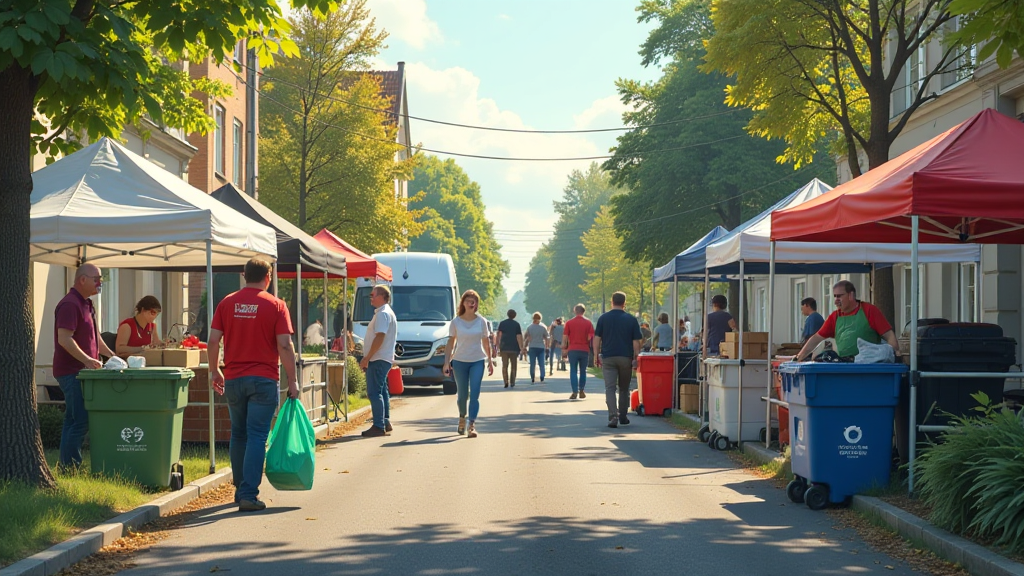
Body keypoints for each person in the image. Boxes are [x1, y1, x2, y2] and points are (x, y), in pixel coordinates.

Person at [208, 258, 298, 512]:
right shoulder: (276, 305)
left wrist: (215, 370)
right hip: (264, 379)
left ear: (243, 275)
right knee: (257, 436)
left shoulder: (227, 302)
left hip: (234, 379)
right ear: (268, 277)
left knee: (238, 434)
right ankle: (248, 493)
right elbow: (284, 344)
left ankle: (240, 490)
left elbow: (213, 340)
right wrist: (293, 380)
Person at [53, 263, 116, 470]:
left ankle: (67, 466)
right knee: (80, 421)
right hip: (72, 373)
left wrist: (111, 355)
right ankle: (71, 467)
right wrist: (86, 360)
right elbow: (64, 338)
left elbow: (94, 336)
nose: (100, 283)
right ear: (82, 280)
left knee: (73, 420)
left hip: (83, 372)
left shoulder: (87, 304)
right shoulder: (70, 304)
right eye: (97, 278)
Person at [798, 280, 901, 361]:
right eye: (834, 296)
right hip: (845, 366)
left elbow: (889, 335)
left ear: (851, 295)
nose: (836, 300)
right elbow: (816, 338)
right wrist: (799, 357)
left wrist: (895, 355)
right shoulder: (835, 317)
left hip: (868, 367)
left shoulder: (869, 311)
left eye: (839, 296)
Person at [442, 290, 494, 438]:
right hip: (459, 361)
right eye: (468, 300)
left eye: (474, 301)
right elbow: (451, 342)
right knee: (462, 395)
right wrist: (447, 362)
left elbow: (485, 341)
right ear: (463, 303)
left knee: (475, 393)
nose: (471, 303)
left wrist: (490, 360)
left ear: (476, 304)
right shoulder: (456, 322)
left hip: (477, 360)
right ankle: (462, 417)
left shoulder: (481, 321)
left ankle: (472, 424)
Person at [594, 292, 643, 428]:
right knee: (624, 388)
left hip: (608, 357)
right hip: (625, 358)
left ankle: (612, 416)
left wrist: (596, 355)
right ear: (624, 303)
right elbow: (636, 342)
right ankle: (623, 415)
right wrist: (635, 357)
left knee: (610, 388)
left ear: (612, 301)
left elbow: (597, 338)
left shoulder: (603, 318)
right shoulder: (631, 319)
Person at [358, 285, 398, 437]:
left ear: (382, 296)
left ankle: (378, 425)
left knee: (374, 392)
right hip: (383, 357)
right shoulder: (386, 312)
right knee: (382, 391)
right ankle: (384, 421)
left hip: (378, 358)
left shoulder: (382, 314)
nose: (371, 297)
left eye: (373, 294)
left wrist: (367, 358)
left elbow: (380, 336)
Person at [561, 304, 594, 400]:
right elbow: (590, 337)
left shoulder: (569, 323)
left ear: (575, 311)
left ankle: (574, 391)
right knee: (583, 371)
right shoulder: (588, 323)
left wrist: (564, 348)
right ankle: (582, 390)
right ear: (584, 311)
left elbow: (565, 337)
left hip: (573, 349)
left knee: (573, 370)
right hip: (584, 349)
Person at [495, 309, 524, 388]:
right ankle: (512, 382)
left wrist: (497, 346)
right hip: (514, 348)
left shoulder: (502, 323)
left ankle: (505, 381)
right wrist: (521, 347)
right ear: (514, 316)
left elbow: (499, 335)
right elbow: (519, 337)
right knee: (513, 365)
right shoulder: (516, 324)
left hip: (504, 347)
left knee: (505, 365)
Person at [523, 312, 549, 383]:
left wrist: (524, 347)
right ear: (540, 318)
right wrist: (547, 347)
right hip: (541, 347)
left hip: (532, 347)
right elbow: (547, 338)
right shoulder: (543, 327)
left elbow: (526, 338)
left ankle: (532, 377)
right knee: (541, 363)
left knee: (532, 363)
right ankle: (542, 376)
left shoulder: (529, 327)